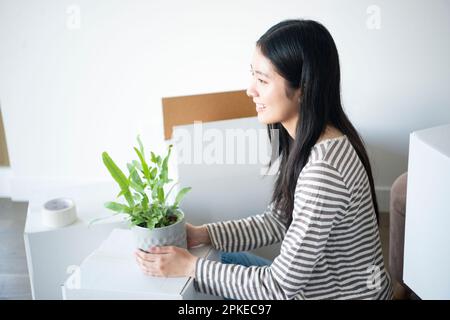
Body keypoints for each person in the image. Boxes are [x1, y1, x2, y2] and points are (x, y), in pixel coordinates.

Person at [135, 19, 393, 300]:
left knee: (203, 272)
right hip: (305, 290)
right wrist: (203, 233)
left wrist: (190, 266)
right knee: (218, 257)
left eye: (262, 80)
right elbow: (278, 221)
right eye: (253, 76)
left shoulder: (324, 172)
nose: (250, 90)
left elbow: (278, 288)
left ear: (303, 87)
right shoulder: (313, 140)